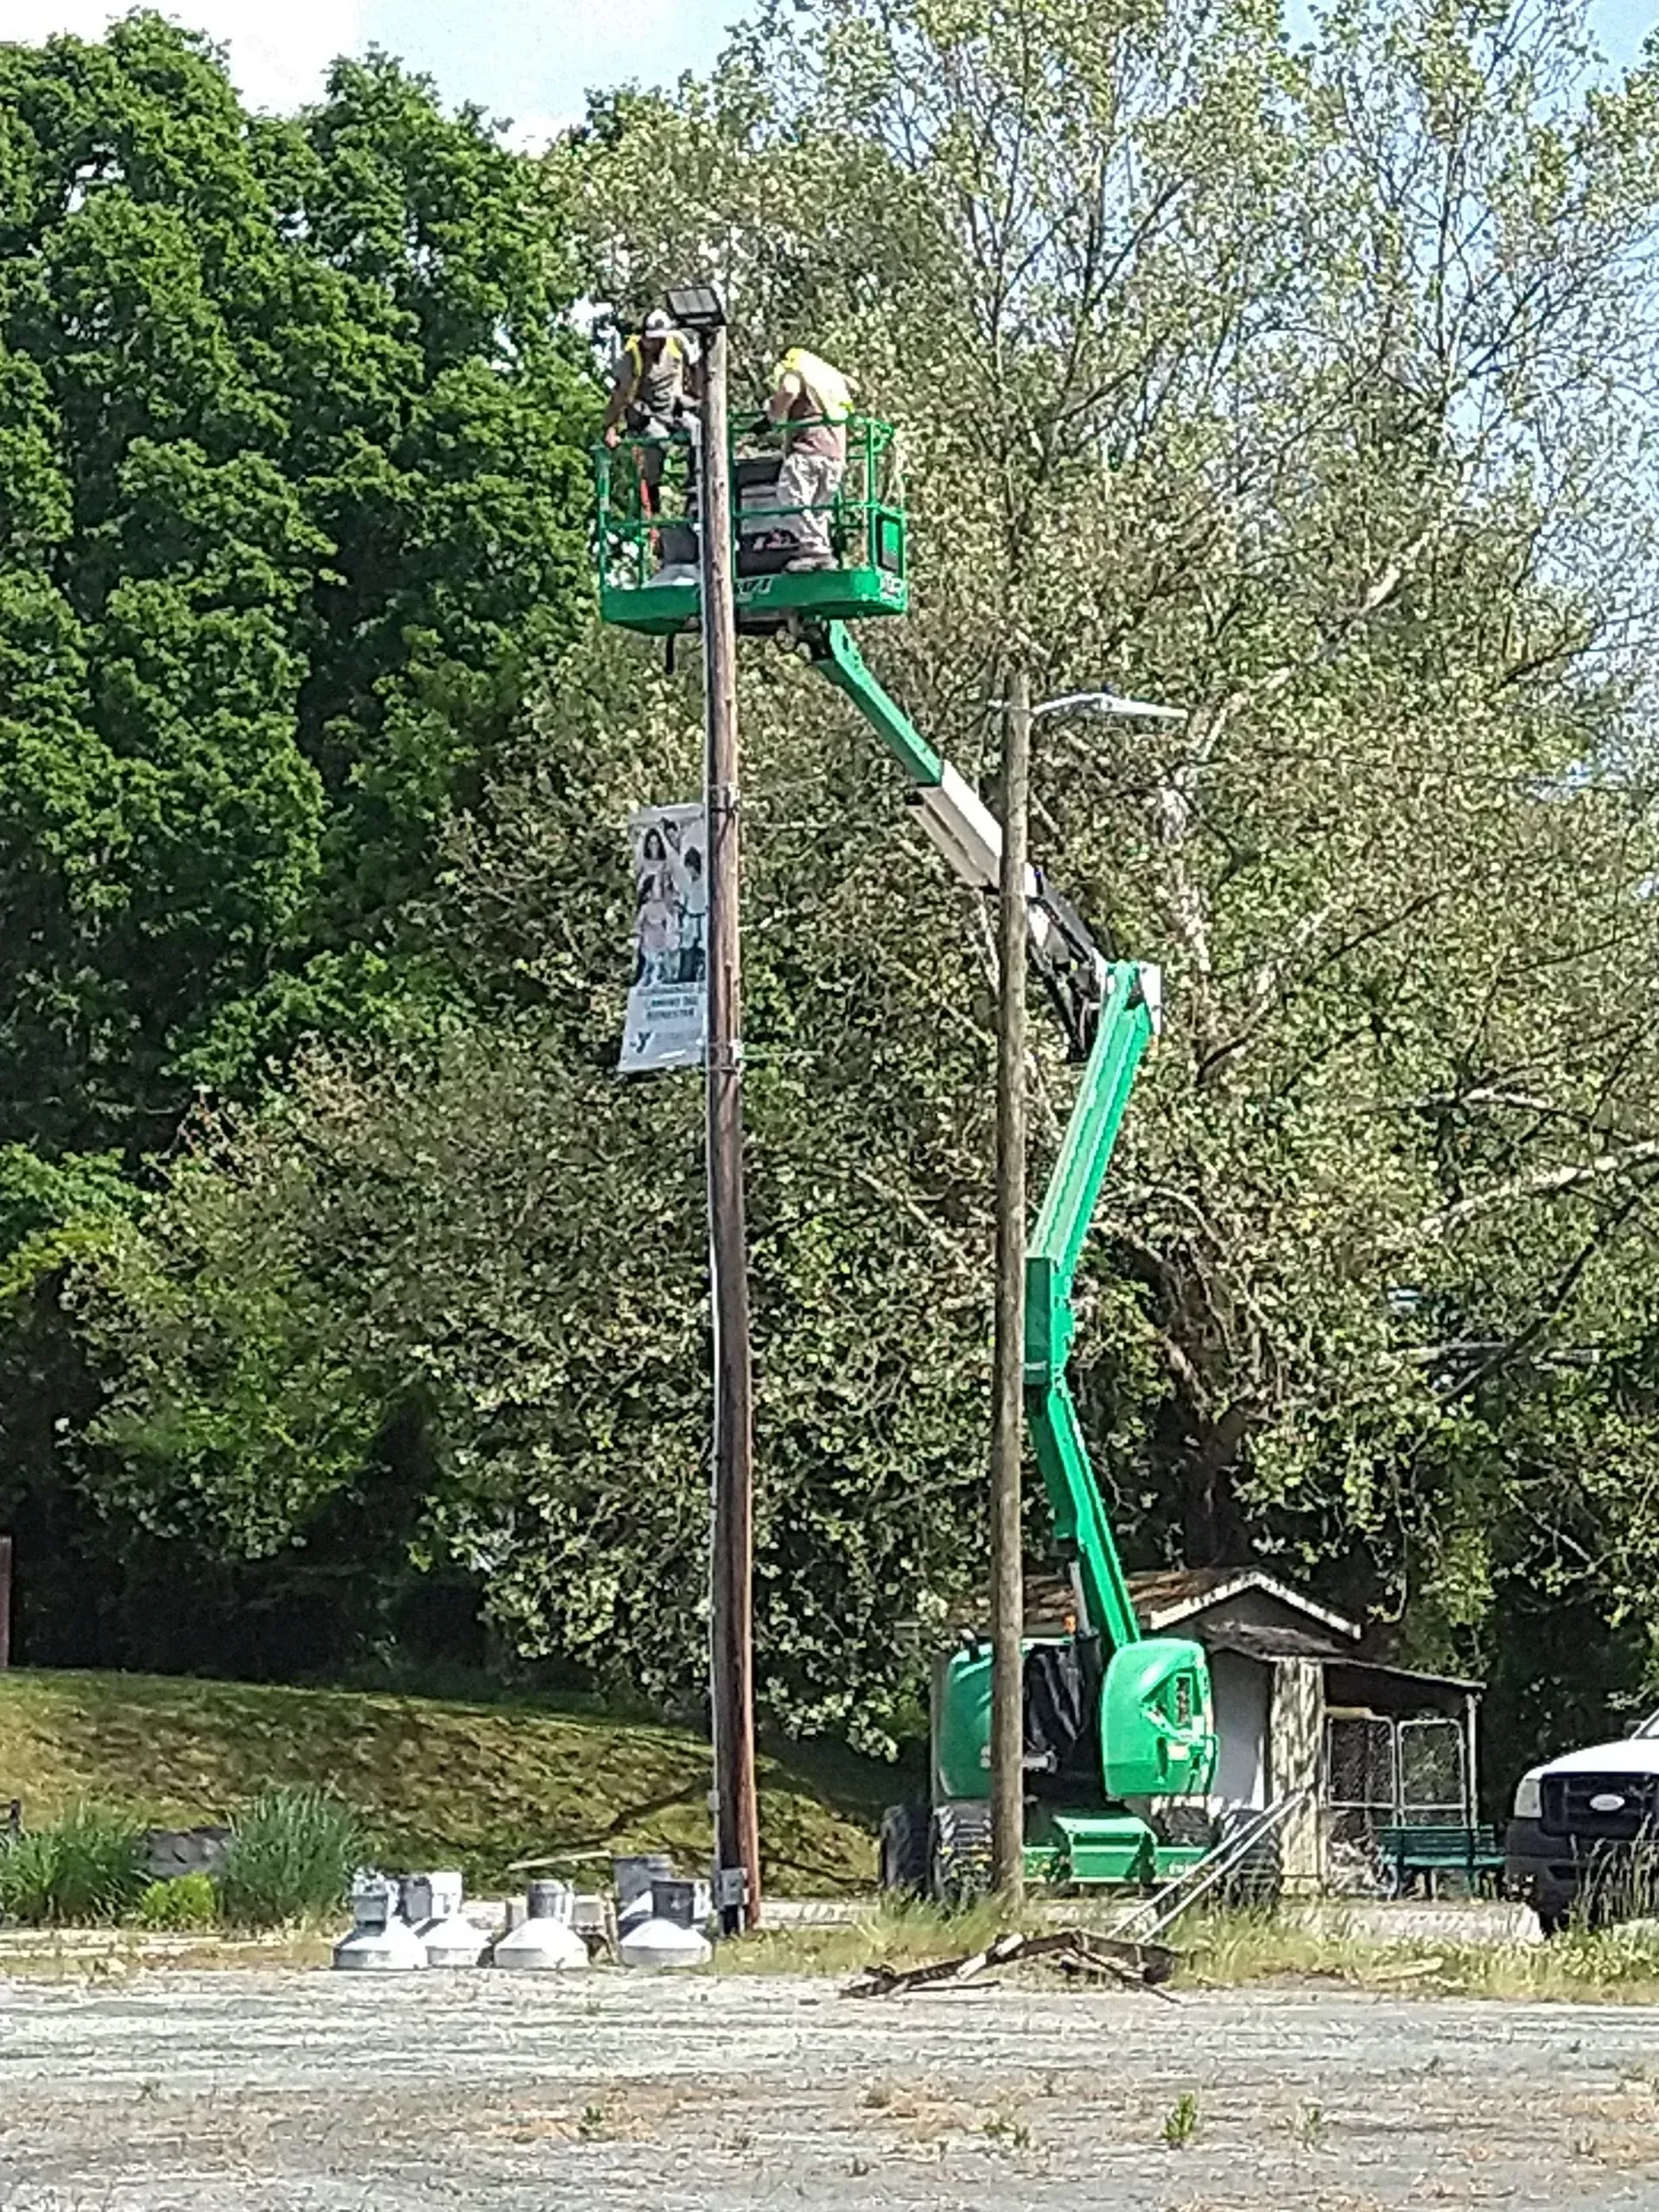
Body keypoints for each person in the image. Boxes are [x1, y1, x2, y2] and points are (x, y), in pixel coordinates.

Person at [763, 346, 854, 570]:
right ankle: (818, 556)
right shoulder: (829, 378)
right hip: (835, 455)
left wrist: (772, 415)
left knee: (790, 497)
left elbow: (789, 390)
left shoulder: (796, 367)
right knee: (818, 510)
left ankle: (816, 550)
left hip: (809, 448)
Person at [602, 309, 700, 509]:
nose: (655, 344)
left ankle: (696, 482)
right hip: (646, 412)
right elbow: (620, 393)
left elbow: (695, 367)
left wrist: (695, 394)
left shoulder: (677, 343)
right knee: (659, 439)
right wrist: (611, 427)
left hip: (672, 407)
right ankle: (653, 485)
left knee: (696, 428)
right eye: (651, 340)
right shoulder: (632, 356)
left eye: (660, 339)